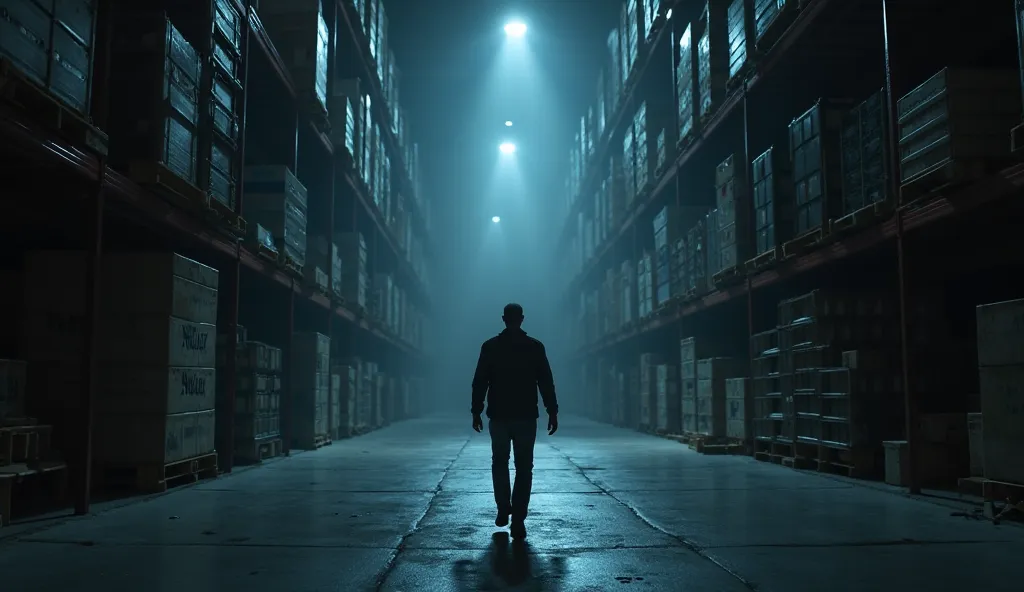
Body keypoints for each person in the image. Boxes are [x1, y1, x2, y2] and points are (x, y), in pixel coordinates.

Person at [471, 302, 559, 540]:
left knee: (499, 462)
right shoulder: (534, 347)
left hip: (499, 416)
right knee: (524, 467)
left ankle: (503, 508)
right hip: (526, 416)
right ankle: (518, 518)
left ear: (503, 319)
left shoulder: (490, 347)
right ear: (522, 318)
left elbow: (480, 381)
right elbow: (545, 382)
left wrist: (476, 410)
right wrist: (552, 410)